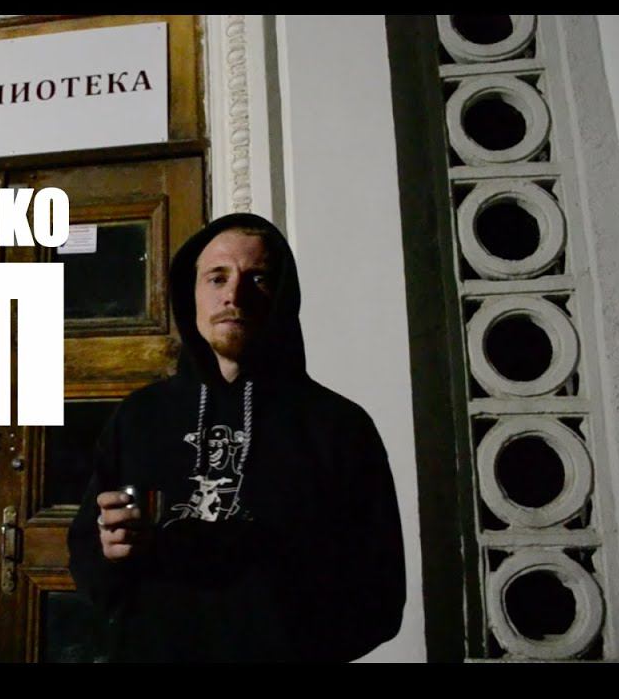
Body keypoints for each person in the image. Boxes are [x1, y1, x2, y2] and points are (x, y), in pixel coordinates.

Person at [68, 212, 405, 662]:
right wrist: (110, 553)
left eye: (258, 278)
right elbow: (87, 553)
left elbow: (380, 594)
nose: (233, 295)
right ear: (190, 294)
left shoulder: (338, 426)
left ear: (282, 297)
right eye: (217, 277)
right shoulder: (139, 416)